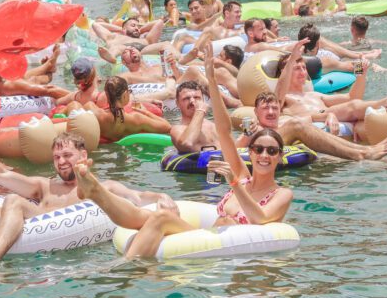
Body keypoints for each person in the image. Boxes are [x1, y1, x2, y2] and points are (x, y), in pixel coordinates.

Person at [74, 47, 292, 257]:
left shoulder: (280, 193)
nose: (264, 155)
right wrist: (212, 82)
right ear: (251, 153)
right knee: (150, 216)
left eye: (272, 151)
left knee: (160, 219)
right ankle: (96, 193)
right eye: (259, 149)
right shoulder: (244, 177)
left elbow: (260, 216)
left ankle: (122, 269)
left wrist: (233, 182)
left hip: (225, 249)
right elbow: (225, 133)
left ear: (280, 156)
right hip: (208, 238)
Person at [0, 132, 175, 271]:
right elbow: (1, 175)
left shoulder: (102, 188)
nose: (62, 161)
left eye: (67, 155)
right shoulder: (43, 185)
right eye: (57, 157)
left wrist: (162, 196)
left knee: (14, 202)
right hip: (29, 224)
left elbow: (138, 197)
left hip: (59, 244)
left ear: (83, 155)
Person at [236, 90, 387, 161]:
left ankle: (367, 149)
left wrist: (330, 115)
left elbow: (314, 117)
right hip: (268, 146)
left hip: (294, 144)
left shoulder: (285, 120)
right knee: (296, 124)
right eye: (265, 108)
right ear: (256, 112)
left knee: (298, 123)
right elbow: (236, 149)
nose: (271, 112)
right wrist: (248, 135)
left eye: (275, 108)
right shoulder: (254, 128)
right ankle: (362, 153)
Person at [275, 38, 387, 125]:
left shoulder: (315, 95)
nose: (302, 72)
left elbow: (353, 97)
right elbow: (278, 98)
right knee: (353, 106)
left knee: (360, 122)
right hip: (314, 122)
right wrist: (291, 60)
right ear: (285, 72)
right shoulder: (284, 98)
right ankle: (385, 102)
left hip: (331, 119)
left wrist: (361, 73)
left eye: (304, 68)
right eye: (296, 68)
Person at [82, 77, 170, 141]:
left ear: (106, 94)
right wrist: (146, 112)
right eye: (129, 92)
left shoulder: (97, 115)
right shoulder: (137, 119)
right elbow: (167, 127)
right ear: (125, 94)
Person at [169, 80, 219, 152]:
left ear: (203, 100)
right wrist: (200, 111)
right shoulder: (177, 130)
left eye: (196, 97)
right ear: (177, 103)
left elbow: (232, 148)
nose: (192, 101)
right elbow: (186, 143)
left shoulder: (213, 126)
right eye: (186, 98)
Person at [92, 17, 165, 63]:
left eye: (138, 26)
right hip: (122, 49)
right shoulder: (114, 36)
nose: (136, 28)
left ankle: (176, 58)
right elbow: (96, 25)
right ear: (124, 29)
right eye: (133, 25)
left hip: (143, 50)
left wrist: (140, 29)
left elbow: (159, 22)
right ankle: (111, 56)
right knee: (118, 47)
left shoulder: (146, 39)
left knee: (165, 44)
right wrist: (121, 29)